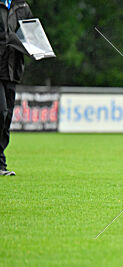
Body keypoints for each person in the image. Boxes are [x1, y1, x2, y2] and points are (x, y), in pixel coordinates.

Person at [0, 0, 33, 176]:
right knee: (1, 111)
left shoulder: (23, 6)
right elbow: (7, 35)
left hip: (12, 69)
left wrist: (39, 47)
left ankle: (0, 164)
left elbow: (31, 34)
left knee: (6, 119)